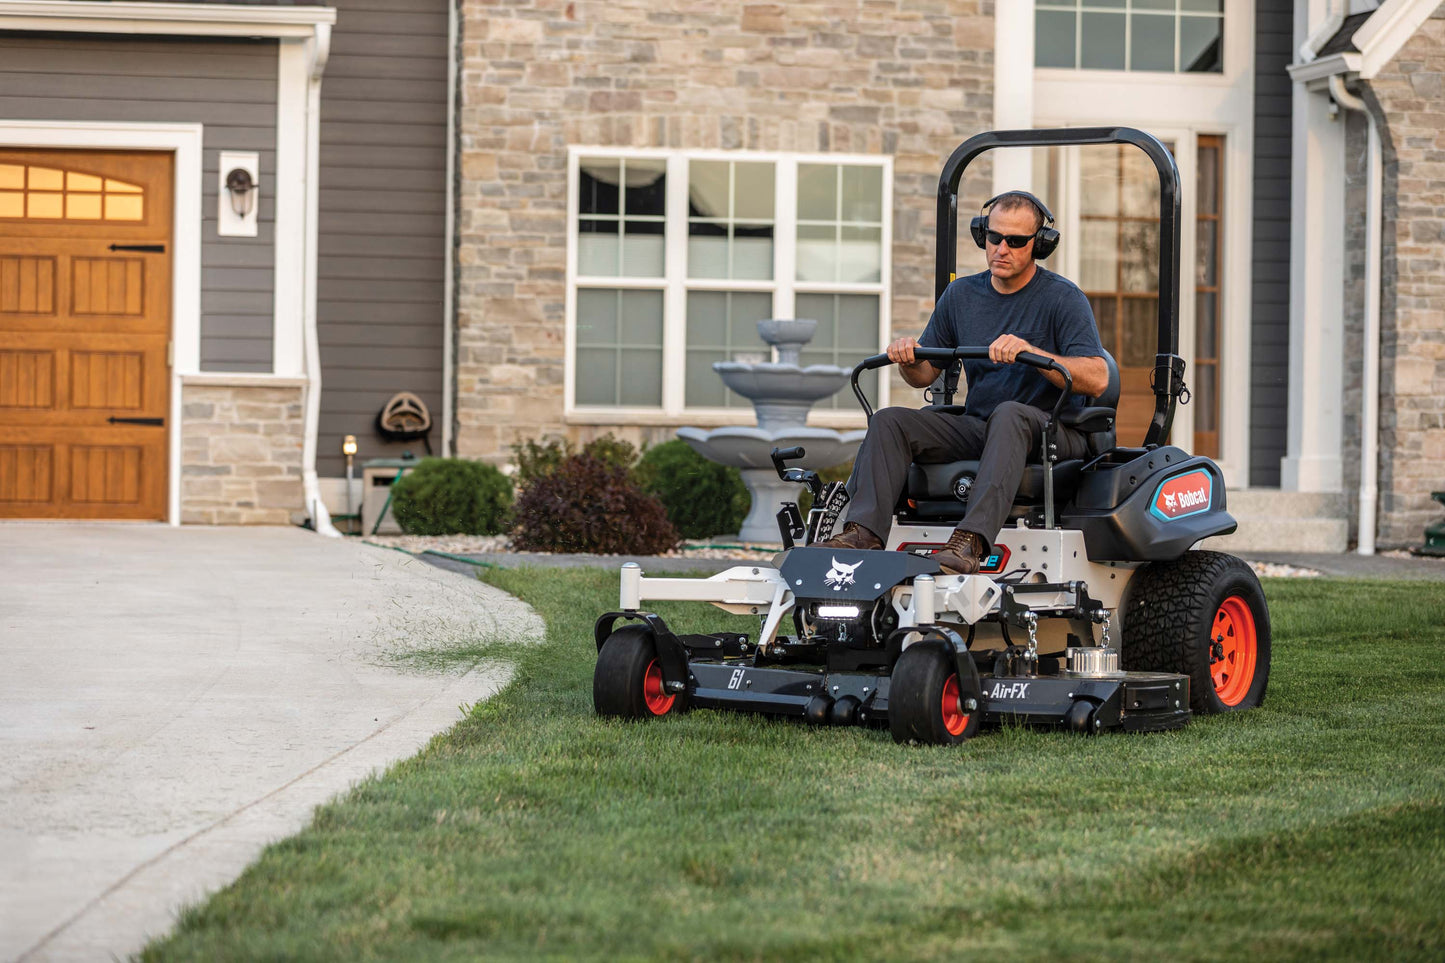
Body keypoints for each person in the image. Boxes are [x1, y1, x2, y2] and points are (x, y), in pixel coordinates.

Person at [821, 190, 1109, 574]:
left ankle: (969, 541)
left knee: (1009, 415)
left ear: (1039, 245)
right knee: (890, 420)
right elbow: (924, 374)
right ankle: (864, 533)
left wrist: (1034, 354)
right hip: (984, 426)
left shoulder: (1063, 299)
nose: (1001, 249)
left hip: (1052, 430)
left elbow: (1098, 378)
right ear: (981, 236)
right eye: (994, 237)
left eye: (1016, 241)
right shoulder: (961, 295)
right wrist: (909, 357)